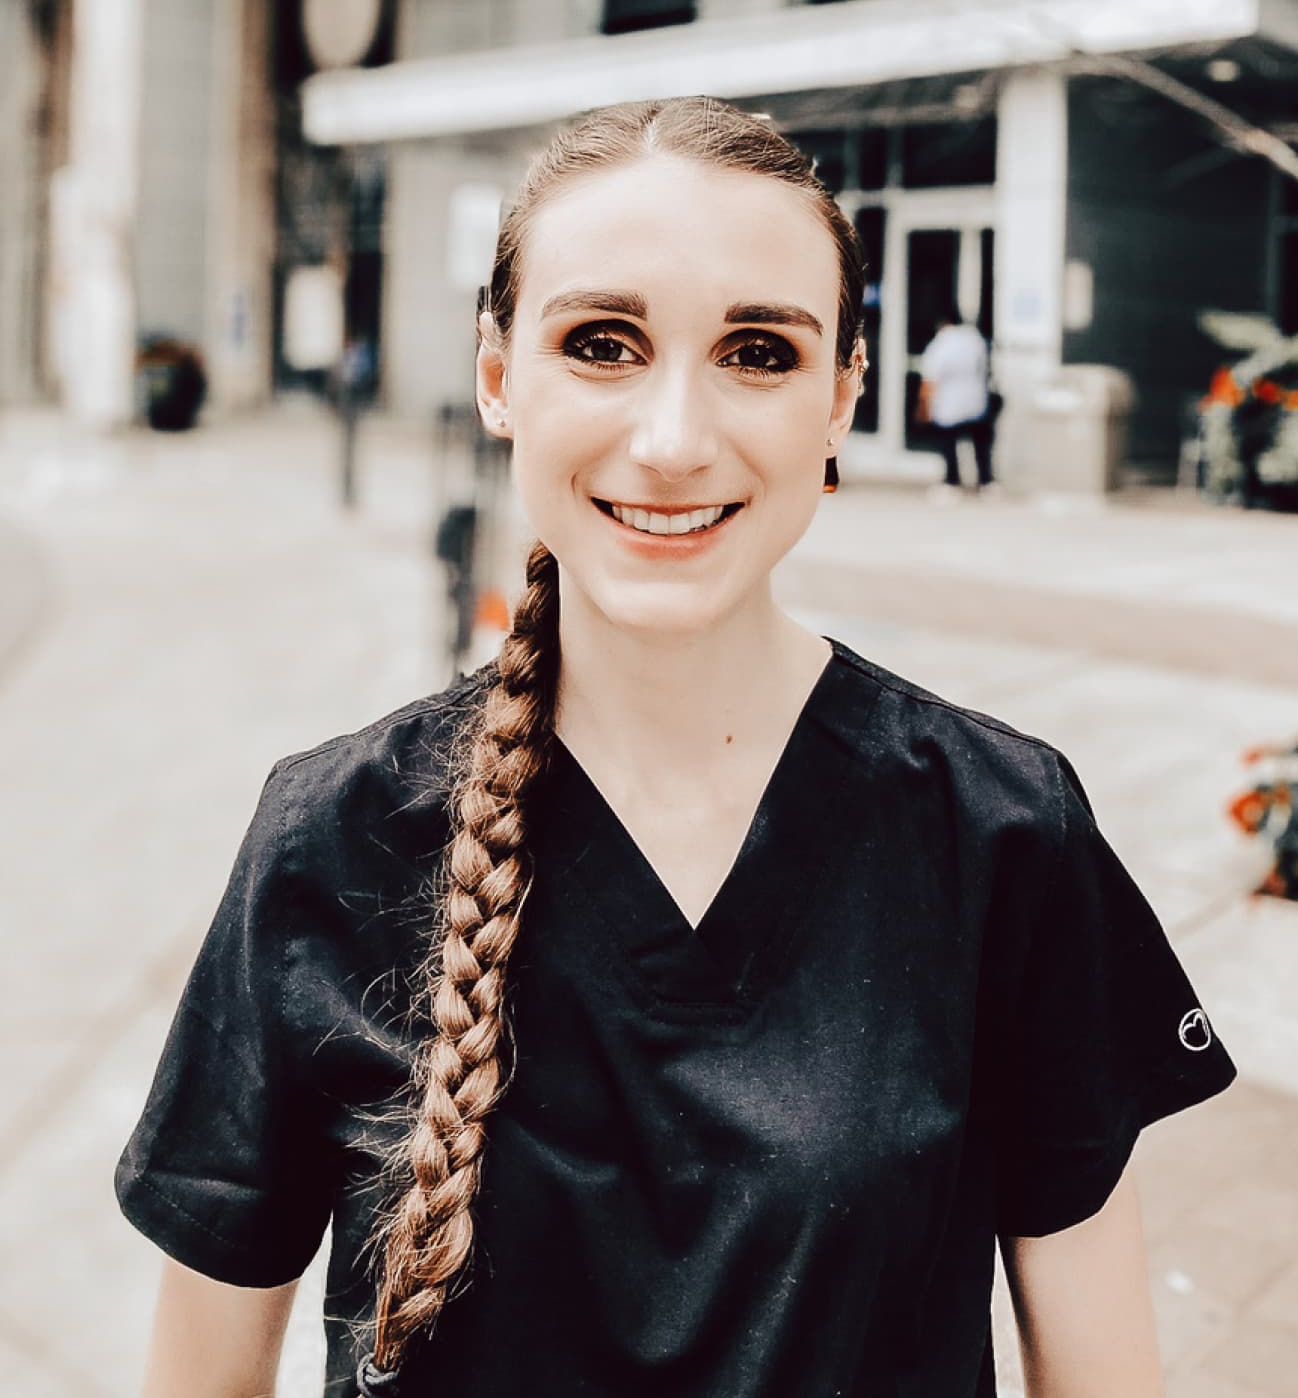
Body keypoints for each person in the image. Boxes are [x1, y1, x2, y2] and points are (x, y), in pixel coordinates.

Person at [116, 96, 1235, 1398]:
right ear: (495, 373)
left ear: (842, 398)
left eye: (758, 351)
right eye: (600, 341)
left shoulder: (999, 829)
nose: (671, 439)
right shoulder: (329, 838)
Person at [918, 304, 996, 496]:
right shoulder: (975, 339)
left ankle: (952, 482)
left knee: (949, 444)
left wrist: (924, 406)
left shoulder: (940, 344)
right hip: (976, 399)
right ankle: (986, 482)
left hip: (949, 403)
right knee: (980, 444)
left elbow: (930, 379)